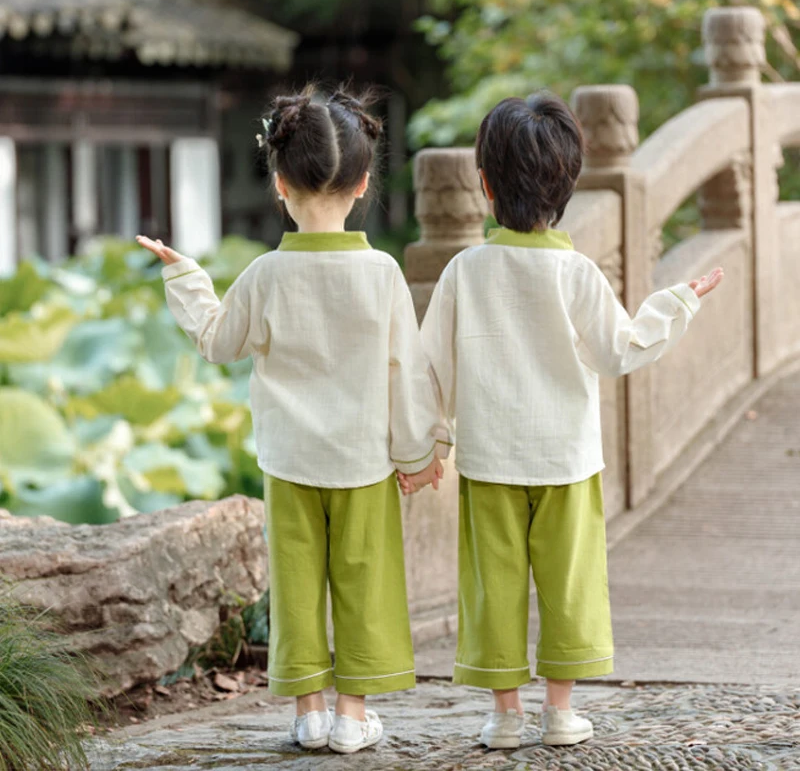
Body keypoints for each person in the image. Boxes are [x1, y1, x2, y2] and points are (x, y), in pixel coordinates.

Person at [399, 92, 723, 749]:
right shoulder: (577, 273)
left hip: (490, 459)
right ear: (567, 187)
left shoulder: (465, 270)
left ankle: (504, 713)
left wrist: (425, 446)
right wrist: (677, 302)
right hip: (567, 460)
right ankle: (560, 710)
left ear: (484, 185)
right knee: (569, 582)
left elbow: (427, 368)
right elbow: (619, 350)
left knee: (494, 584)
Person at [137, 86, 446, 755]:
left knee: (298, 580)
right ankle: (352, 714)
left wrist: (187, 276)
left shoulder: (265, 274)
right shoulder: (382, 272)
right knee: (364, 580)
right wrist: (419, 452)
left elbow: (219, 342)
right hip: (363, 460)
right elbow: (408, 371)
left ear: (279, 184)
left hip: (290, 459)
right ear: (364, 183)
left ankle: (307, 712)